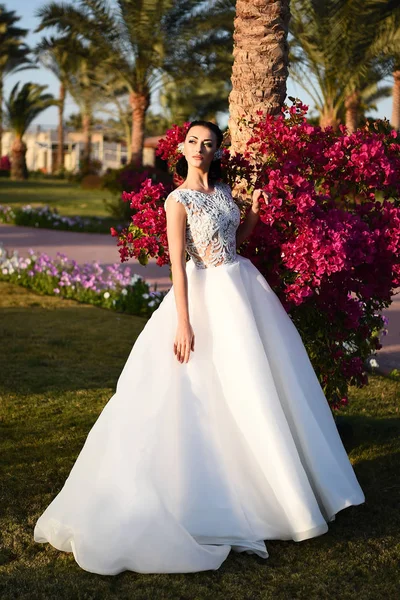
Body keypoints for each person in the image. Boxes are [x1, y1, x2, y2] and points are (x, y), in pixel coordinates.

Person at [33, 120, 365, 576]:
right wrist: (184, 322)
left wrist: (251, 213)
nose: (200, 149)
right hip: (204, 301)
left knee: (254, 385)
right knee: (204, 388)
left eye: (208, 144)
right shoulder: (178, 200)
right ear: (182, 148)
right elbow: (178, 265)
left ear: (215, 152)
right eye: (193, 142)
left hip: (243, 290)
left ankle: (279, 491)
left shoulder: (224, 192)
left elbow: (234, 242)